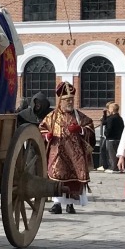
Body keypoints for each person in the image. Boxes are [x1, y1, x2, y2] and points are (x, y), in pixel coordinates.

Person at [39, 81, 95, 214]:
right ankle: (57, 204)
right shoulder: (52, 117)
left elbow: (90, 127)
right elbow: (41, 129)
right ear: (61, 101)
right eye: (67, 100)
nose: (69, 102)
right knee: (57, 176)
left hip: (75, 155)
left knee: (74, 179)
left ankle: (71, 204)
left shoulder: (79, 116)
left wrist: (80, 130)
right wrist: (47, 136)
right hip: (57, 152)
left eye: (71, 100)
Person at [102, 103, 124, 172]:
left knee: (111, 154)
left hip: (111, 139)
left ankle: (113, 167)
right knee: (116, 153)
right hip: (118, 138)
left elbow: (107, 126)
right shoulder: (120, 118)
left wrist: (106, 134)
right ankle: (118, 167)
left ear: (112, 109)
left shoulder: (111, 118)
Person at [98, 101, 113, 171]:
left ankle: (106, 166)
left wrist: (104, 115)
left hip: (110, 137)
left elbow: (104, 122)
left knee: (105, 150)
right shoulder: (110, 117)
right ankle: (106, 165)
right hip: (109, 137)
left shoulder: (111, 117)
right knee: (105, 150)